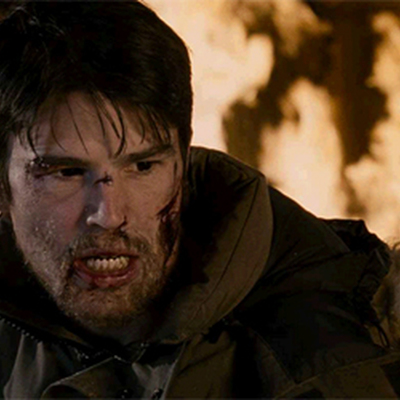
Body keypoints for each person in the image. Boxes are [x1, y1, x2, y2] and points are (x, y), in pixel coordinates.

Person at [0, 1, 399, 398]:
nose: (108, 214)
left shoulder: (321, 362)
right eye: (67, 173)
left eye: (143, 167)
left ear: (182, 162)